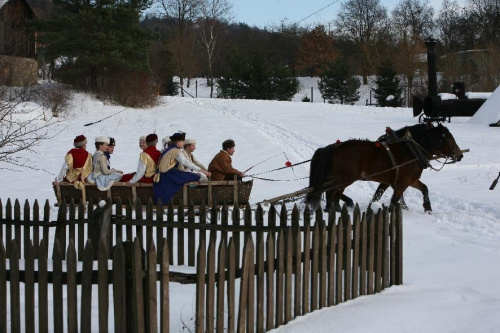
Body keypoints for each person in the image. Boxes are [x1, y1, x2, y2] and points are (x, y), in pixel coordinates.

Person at [153, 132, 211, 204]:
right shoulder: (175, 151)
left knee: (192, 175)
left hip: (163, 174)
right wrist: (204, 172)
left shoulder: (168, 150)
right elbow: (186, 162)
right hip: (168, 175)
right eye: (183, 142)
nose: (183, 143)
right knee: (195, 176)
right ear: (179, 142)